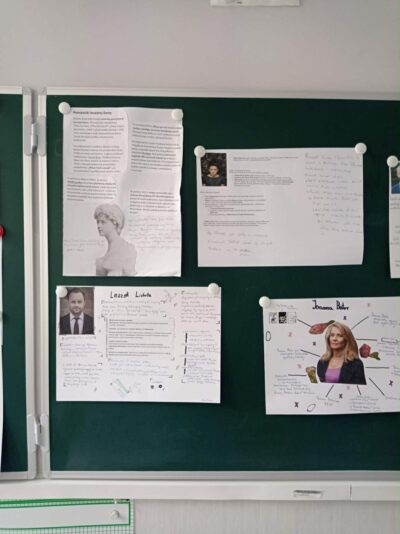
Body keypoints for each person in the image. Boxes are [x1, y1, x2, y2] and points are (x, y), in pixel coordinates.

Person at [94, 203, 137, 276]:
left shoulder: (127, 249)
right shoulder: (105, 254)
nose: (98, 225)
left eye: (103, 222)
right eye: (98, 222)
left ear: (115, 223)